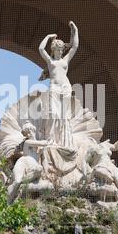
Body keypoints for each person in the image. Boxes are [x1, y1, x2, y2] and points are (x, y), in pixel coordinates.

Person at [39, 21, 79, 149]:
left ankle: (64, 141)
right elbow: (40, 49)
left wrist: (75, 30)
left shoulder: (65, 60)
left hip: (65, 88)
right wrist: (49, 37)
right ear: (54, 49)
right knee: (52, 113)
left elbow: (75, 47)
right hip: (54, 88)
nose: (61, 52)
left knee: (63, 116)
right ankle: (50, 139)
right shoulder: (50, 61)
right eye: (59, 49)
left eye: (62, 50)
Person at [7, 121, 52, 202]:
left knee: (39, 169)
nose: (29, 134)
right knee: (17, 181)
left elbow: (40, 158)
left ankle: (22, 187)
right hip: (23, 163)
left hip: (32, 166)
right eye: (27, 133)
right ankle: (7, 200)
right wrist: (49, 141)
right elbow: (43, 143)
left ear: (33, 131)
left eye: (30, 131)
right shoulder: (28, 142)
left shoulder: (37, 150)